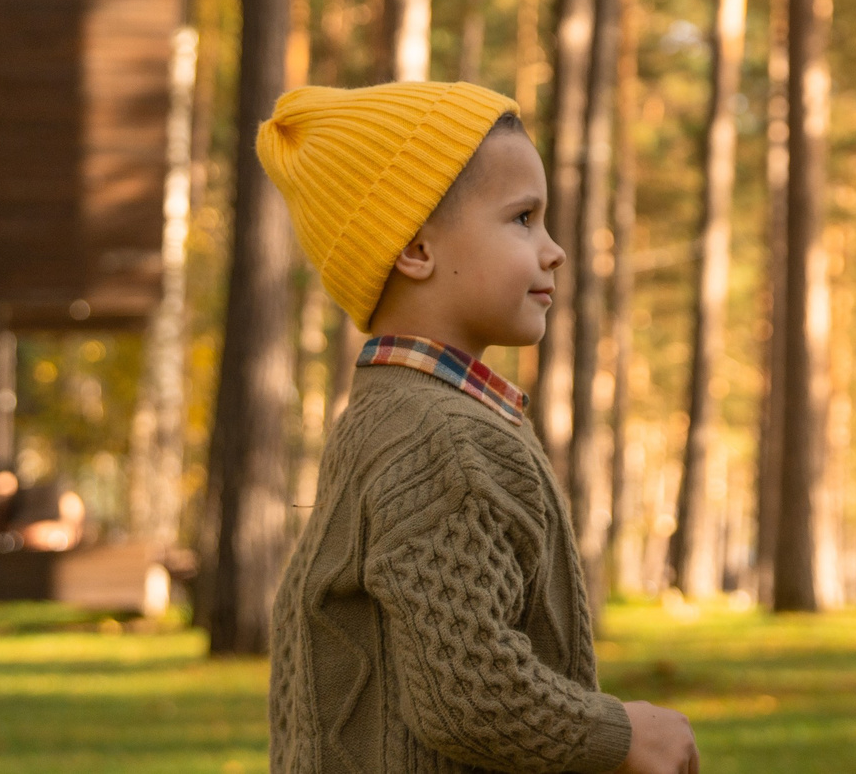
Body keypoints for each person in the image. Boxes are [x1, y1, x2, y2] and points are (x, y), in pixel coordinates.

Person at [259, 81, 699, 774]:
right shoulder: (440, 435)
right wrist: (623, 733)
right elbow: (469, 690)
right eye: (523, 218)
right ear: (415, 248)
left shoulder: (398, 411)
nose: (553, 250)